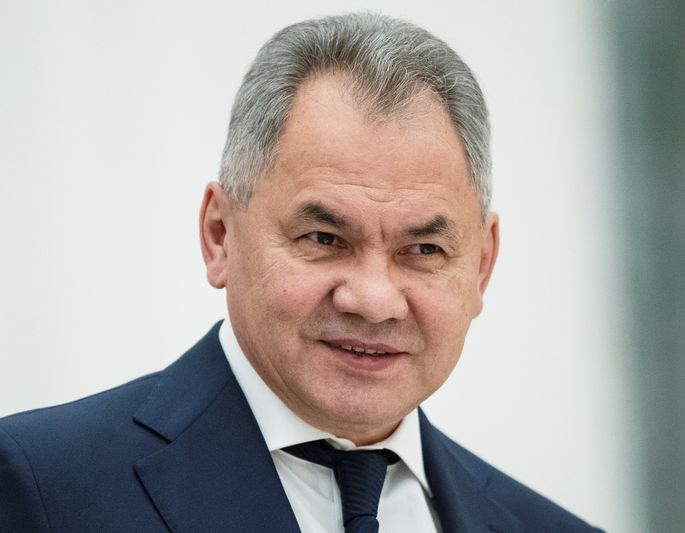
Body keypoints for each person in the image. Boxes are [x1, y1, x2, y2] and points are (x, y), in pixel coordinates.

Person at [0, 12, 602, 532]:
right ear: (219, 235)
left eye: (422, 250)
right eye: (324, 238)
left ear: (482, 267)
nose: (372, 300)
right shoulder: (43, 491)